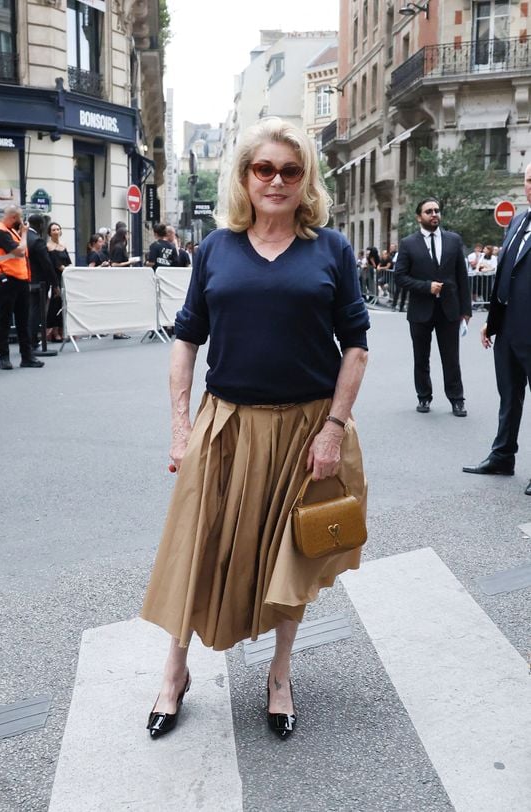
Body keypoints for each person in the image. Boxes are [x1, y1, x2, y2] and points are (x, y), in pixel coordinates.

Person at [141, 117, 370, 741]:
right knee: (197, 549)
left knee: (291, 556)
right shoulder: (216, 248)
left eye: (290, 171)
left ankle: (280, 674)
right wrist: (181, 427)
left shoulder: (331, 249)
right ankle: (174, 673)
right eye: (263, 168)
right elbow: (186, 339)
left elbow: (355, 346)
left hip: (305, 430)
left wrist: (333, 430)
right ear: (244, 177)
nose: (276, 180)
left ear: (306, 181)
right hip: (227, 426)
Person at [463, 163, 531, 494]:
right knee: (509, 396)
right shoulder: (518, 221)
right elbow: (506, 274)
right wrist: (492, 321)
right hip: (508, 329)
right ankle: (503, 456)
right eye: (529, 180)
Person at [394, 197, 471, 416]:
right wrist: (426, 287)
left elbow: (462, 277)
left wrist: (466, 310)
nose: (434, 214)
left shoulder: (453, 240)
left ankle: (457, 399)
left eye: (436, 210)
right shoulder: (408, 243)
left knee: (451, 358)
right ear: (419, 217)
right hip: (420, 310)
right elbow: (400, 277)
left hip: (449, 309)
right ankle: (424, 397)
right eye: (429, 211)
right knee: (421, 358)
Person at [0, 205, 44, 369]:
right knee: (5, 320)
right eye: (20, 218)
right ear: (14, 217)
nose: (22, 221)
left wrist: (21, 234)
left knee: (23, 320)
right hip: (6, 279)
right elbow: (20, 252)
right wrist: (25, 233)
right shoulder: (0, 232)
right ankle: (4, 358)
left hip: (20, 279)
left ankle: (27, 357)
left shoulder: (11, 231)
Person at [27, 213, 59, 349]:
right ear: (41, 225)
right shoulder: (37, 240)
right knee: (37, 311)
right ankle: (33, 340)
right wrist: (55, 284)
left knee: (30, 310)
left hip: (26, 279)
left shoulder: (23, 237)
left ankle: (28, 340)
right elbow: (47, 264)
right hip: (39, 281)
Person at [46, 222, 71, 342]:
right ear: (50, 233)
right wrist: (66, 270)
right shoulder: (48, 246)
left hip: (65, 276)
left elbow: (68, 261)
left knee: (64, 303)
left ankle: (63, 330)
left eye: (58, 229)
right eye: (53, 230)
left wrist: (70, 272)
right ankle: (54, 332)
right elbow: (56, 264)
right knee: (55, 304)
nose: (56, 231)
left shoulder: (63, 245)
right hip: (55, 277)